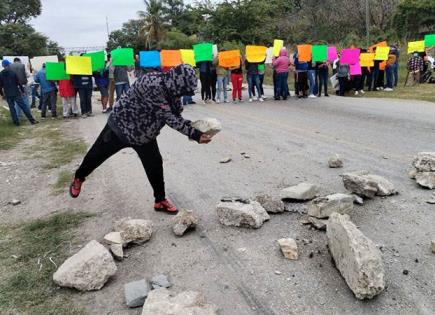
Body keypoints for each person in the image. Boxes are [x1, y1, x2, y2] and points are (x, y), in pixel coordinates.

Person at [69, 65, 211, 214]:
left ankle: (160, 200)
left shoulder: (174, 93)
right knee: (96, 155)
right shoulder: (151, 83)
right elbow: (168, 117)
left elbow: (177, 116)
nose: (182, 95)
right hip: (120, 127)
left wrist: (196, 130)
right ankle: (79, 177)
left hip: (144, 135)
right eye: (183, 90)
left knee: (155, 164)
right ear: (176, 83)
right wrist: (194, 134)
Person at [0, 60, 38, 126]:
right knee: (23, 106)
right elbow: (19, 83)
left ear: (3, 66)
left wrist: (2, 94)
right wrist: (22, 91)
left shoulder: (1, 74)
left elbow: (0, 86)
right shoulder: (13, 73)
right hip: (16, 93)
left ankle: (16, 123)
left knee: (12, 109)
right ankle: (32, 120)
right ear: (8, 65)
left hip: (8, 94)